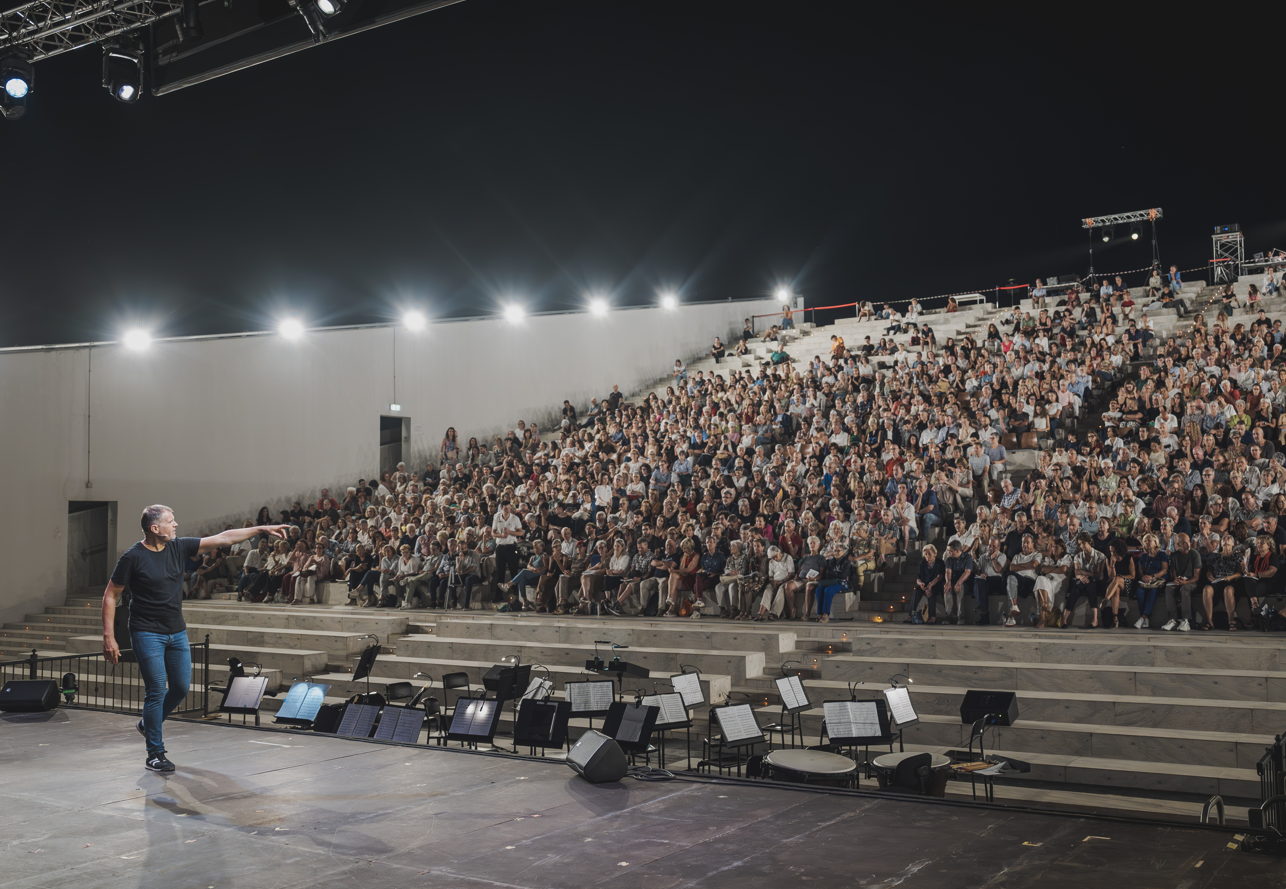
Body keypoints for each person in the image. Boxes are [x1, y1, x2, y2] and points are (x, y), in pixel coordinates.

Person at [102, 505, 288, 772]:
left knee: (180, 688)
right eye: (171, 521)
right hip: (145, 632)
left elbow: (224, 538)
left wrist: (260, 529)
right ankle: (155, 752)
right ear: (155, 528)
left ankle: (148, 723)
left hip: (176, 631)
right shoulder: (133, 557)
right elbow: (111, 594)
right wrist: (109, 636)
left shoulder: (179, 547)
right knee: (155, 689)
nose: (176, 525)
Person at [909, 543, 944, 623]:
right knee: (916, 590)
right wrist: (921, 584)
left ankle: (932, 617)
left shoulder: (940, 562)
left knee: (931, 591)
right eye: (925, 554)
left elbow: (940, 576)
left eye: (929, 554)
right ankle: (910, 615)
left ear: (934, 553)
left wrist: (930, 585)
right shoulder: (922, 563)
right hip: (925, 585)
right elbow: (918, 578)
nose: (928, 556)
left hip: (936, 585)